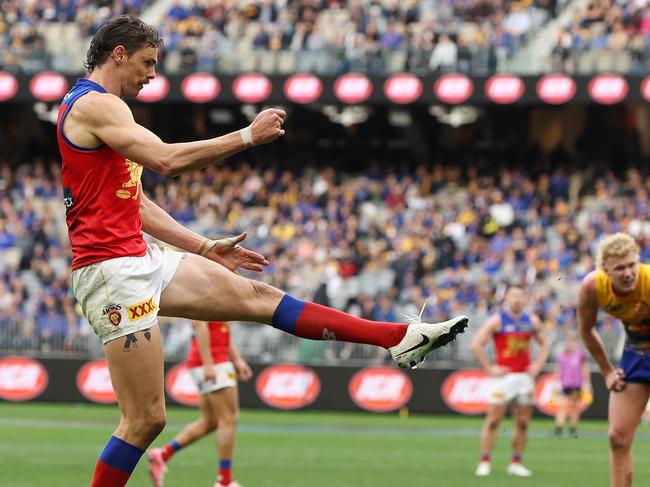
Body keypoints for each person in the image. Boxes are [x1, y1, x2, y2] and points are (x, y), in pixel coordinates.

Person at [57, 15, 469, 487]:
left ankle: (398, 337)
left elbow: (137, 203)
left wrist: (204, 245)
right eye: (148, 63)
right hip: (112, 271)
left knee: (257, 296)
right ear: (119, 54)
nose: (153, 75)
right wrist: (246, 137)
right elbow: (167, 160)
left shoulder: (108, 110)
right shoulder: (96, 106)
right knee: (145, 419)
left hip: (138, 257)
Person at [578, 232, 650, 487]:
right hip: (636, 351)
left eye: (632, 265)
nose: (628, 273)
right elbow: (586, 329)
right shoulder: (592, 286)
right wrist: (608, 371)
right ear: (605, 270)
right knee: (617, 437)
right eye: (620, 268)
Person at [148, 321, 251, 487]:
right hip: (214, 362)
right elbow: (200, 324)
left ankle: (163, 454)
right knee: (229, 418)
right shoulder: (210, 295)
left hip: (212, 360)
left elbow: (223, 328)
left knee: (210, 421)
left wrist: (237, 359)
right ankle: (224, 480)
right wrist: (208, 363)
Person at [470, 285, 549, 478]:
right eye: (513, 296)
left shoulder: (531, 321)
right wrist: (489, 369)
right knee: (494, 420)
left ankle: (516, 462)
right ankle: (485, 460)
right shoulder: (497, 320)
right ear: (507, 298)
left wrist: (538, 365)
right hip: (504, 378)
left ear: (526, 299)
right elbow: (476, 344)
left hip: (524, 379)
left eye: (520, 296)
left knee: (522, 423)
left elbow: (544, 343)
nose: (516, 300)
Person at [553, 330, 591, 438]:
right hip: (565, 383)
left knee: (574, 406)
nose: (571, 342)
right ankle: (559, 427)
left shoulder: (580, 354)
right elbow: (559, 369)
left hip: (576, 383)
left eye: (574, 340)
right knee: (563, 405)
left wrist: (586, 382)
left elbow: (585, 368)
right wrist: (556, 382)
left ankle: (572, 427)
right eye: (570, 340)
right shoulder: (562, 354)